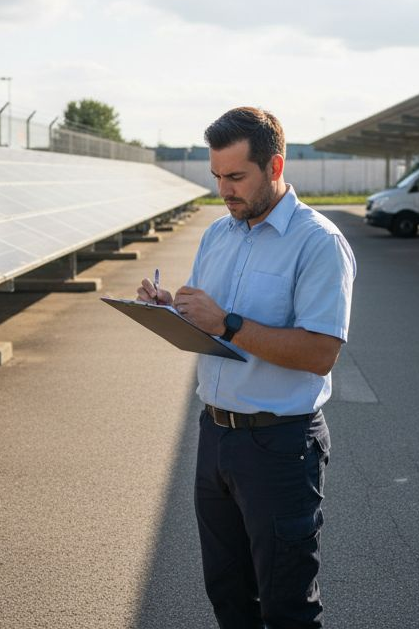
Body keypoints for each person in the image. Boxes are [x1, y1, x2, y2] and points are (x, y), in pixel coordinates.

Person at [137, 106, 356, 629]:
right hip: (215, 435)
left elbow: (320, 353)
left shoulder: (318, 242)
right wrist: (170, 309)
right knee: (229, 594)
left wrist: (228, 323)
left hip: (280, 445)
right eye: (217, 176)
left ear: (275, 166)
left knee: (287, 606)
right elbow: (207, 322)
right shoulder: (219, 233)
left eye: (236, 176)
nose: (224, 190)